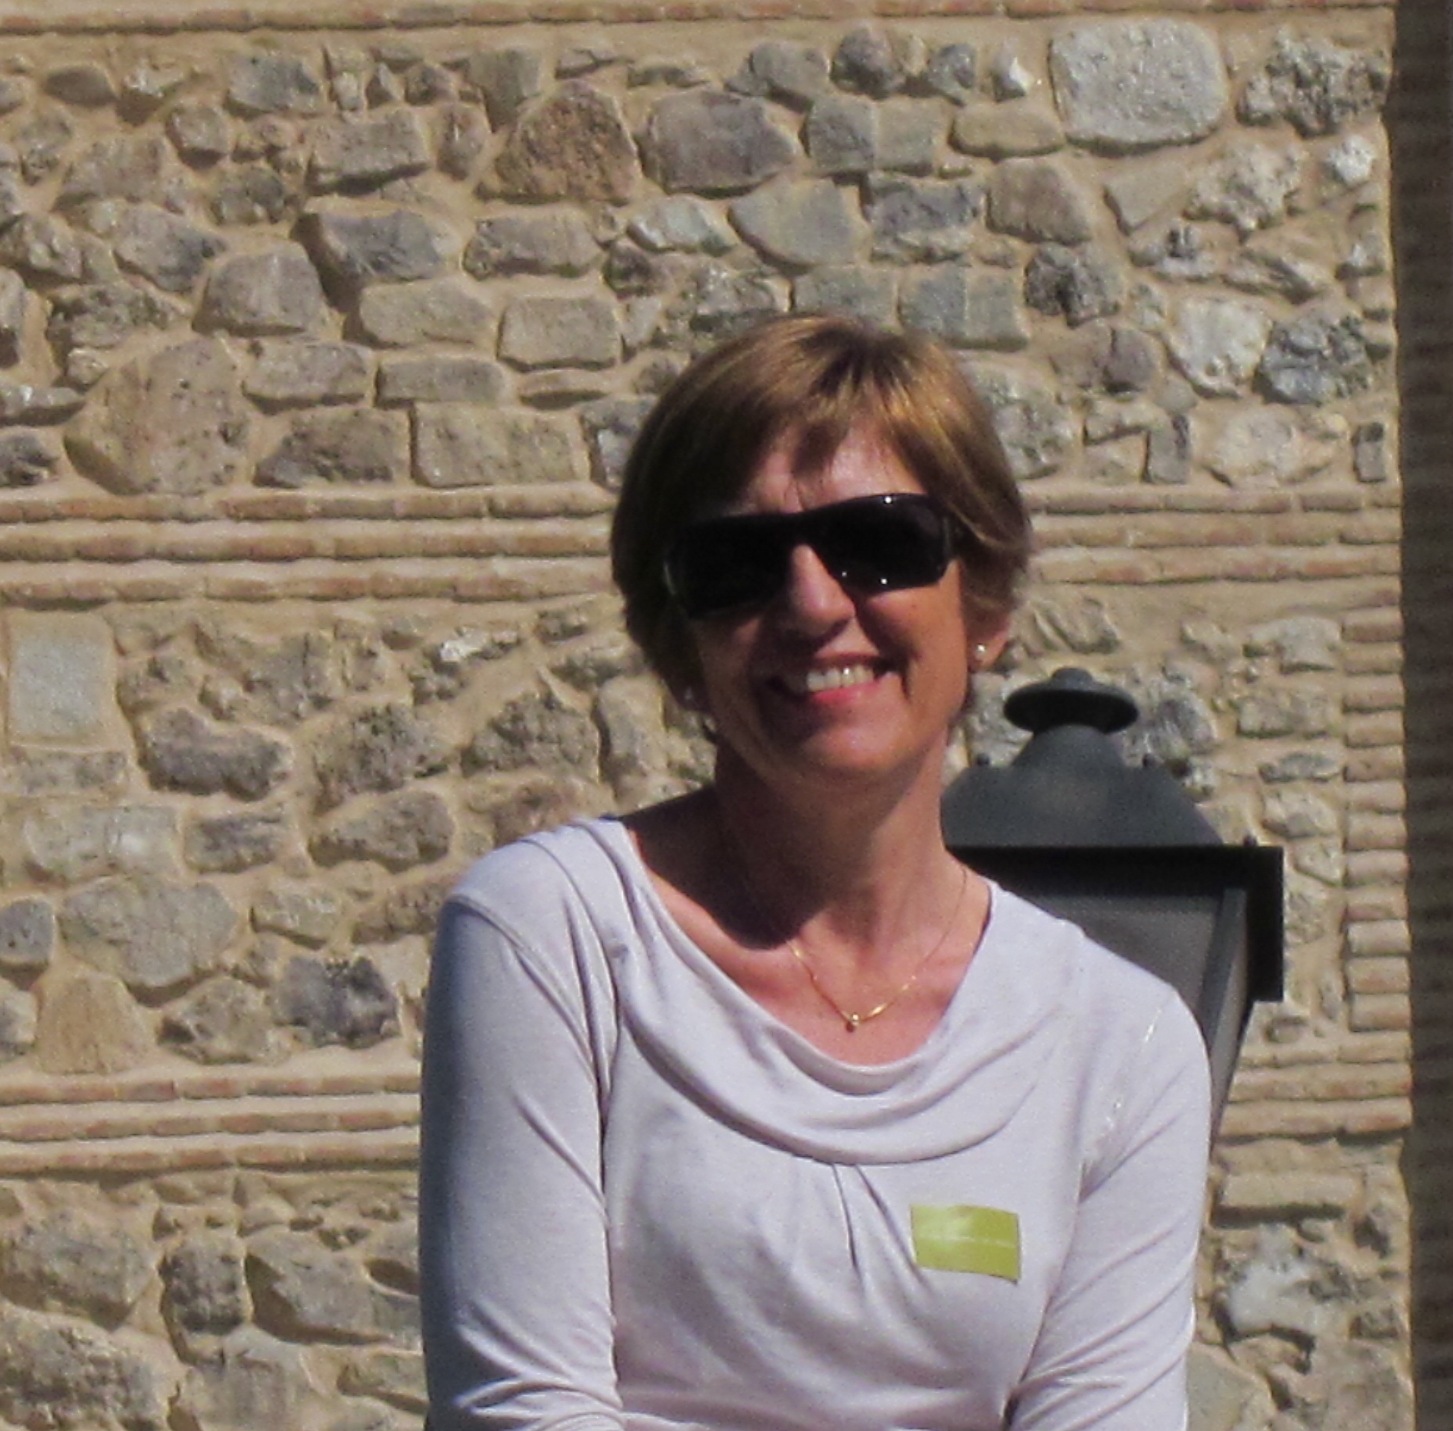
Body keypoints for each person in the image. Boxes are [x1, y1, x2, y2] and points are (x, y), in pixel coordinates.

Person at [419, 315, 1212, 1431]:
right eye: (734, 566)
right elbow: (522, 1412)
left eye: (879, 542)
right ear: (681, 645)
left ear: (983, 604)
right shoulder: (555, 934)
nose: (811, 603)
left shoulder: (1122, 1045)